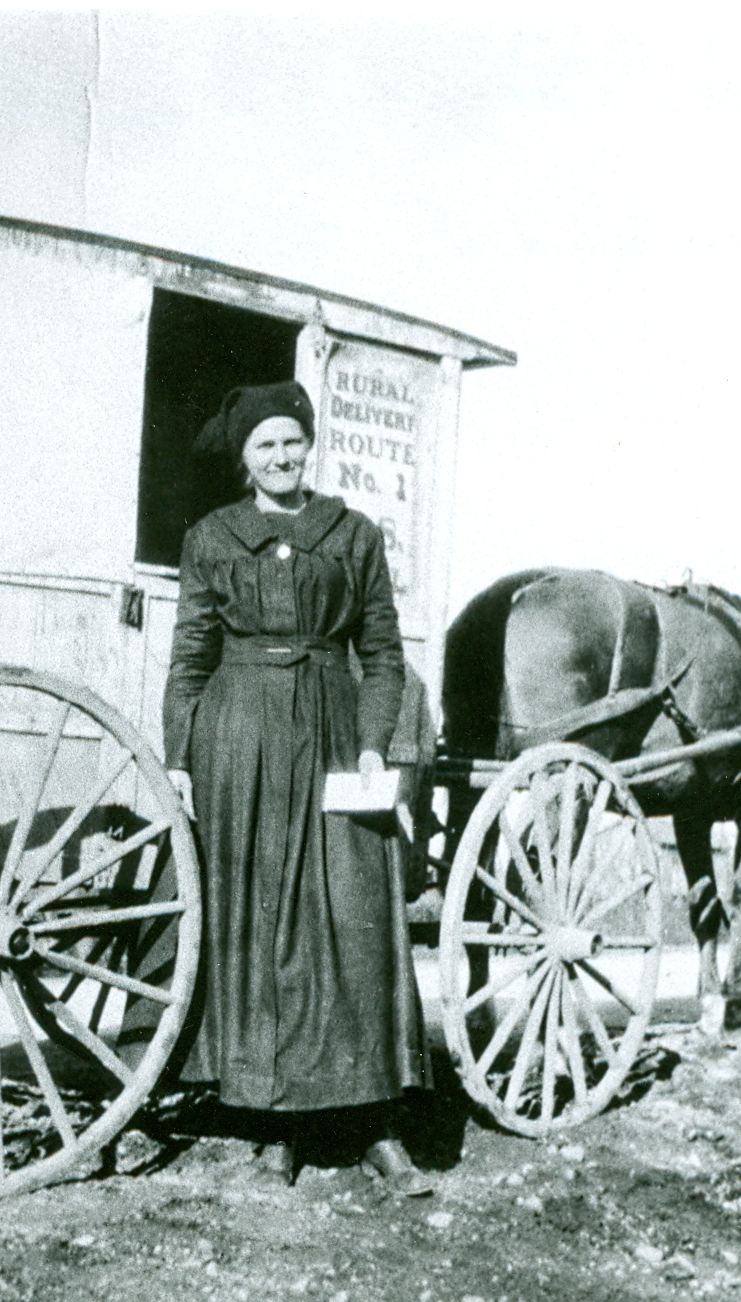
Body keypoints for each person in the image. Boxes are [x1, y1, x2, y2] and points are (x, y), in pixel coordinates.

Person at [162, 380, 431, 1195]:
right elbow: (191, 654)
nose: (280, 457)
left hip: (332, 735)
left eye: (291, 442)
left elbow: (381, 652)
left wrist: (375, 745)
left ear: (308, 446)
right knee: (256, 917)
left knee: (354, 918)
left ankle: (377, 1124)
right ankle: (273, 1120)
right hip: (236, 735)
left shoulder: (350, 535)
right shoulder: (213, 538)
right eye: (263, 446)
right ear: (243, 459)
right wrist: (180, 754)